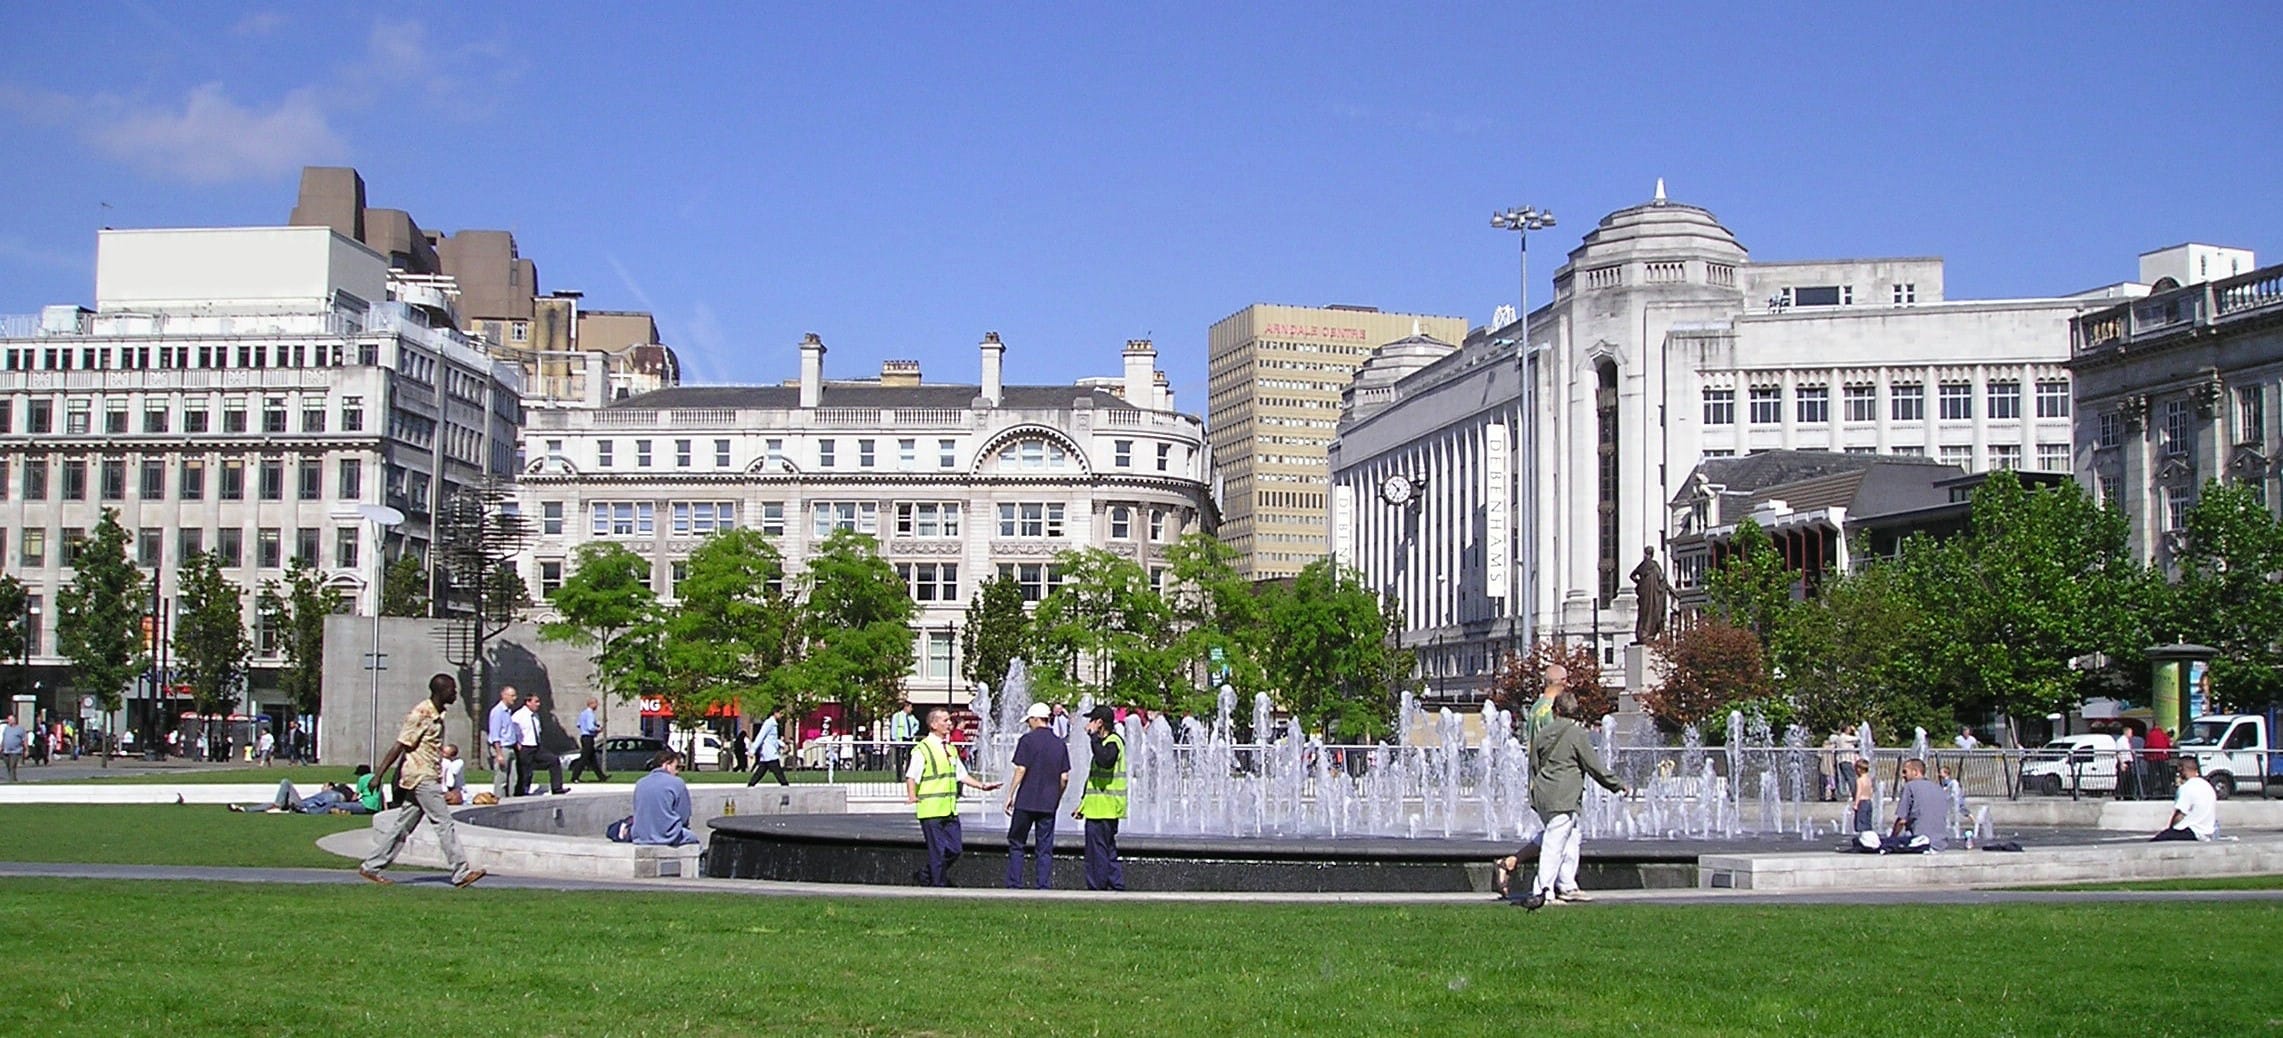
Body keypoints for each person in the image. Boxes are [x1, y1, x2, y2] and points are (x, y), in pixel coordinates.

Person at [359, 674, 486, 888]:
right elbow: (400, 745)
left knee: (403, 825)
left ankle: (371, 867)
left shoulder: (438, 714)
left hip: (426, 774)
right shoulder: (420, 714)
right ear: (440, 691)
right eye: (452, 690)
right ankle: (460, 872)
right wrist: (379, 775)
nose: (455, 693)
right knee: (444, 822)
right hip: (421, 777)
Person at [1520, 691, 1628, 909]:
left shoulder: (1544, 733)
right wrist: (1617, 784)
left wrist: (1533, 793)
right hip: (1564, 796)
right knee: (1554, 843)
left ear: (1555, 710)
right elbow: (1594, 766)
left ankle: (1567, 884)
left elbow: (1533, 765)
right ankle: (1542, 891)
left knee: (1571, 837)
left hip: (1544, 793)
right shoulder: (1577, 734)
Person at [904, 707, 1000, 886]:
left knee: (955, 849)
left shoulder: (950, 749)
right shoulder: (923, 749)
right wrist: (911, 795)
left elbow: (961, 774)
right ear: (933, 724)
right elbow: (911, 775)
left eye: (949, 721)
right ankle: (938, 887)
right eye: (945, 721)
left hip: (949, 809)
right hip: (930, 809)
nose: (949, 724)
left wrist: (982, 786)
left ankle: (925, 875)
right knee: (937, 852)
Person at [1003, 702, 1071, 889]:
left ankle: (1014, 883)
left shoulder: (1027, 740)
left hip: (1026, 800)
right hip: (1048, 802)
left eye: (1029, 721)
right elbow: (1064, 777)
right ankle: (1043, 885)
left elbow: (1020, 769)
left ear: (1035, 719)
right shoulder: (1060, 744)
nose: (1028, 725)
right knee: (1045, 847)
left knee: (1017, 843)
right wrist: (1057, 797)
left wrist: (1010, 794)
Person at [1075, 706, 1128, 891]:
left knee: (1096, 852)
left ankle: (1097, 889)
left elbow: (1105, 761)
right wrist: (1082, 805)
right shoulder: (1105, 743)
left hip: (1105, 808)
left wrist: (1093, 738)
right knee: (1107, 850)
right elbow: (1093, 780)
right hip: (1098, 807)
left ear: (1099, 723)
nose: (1088, 724)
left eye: (1091, 720)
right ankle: (1116, 885)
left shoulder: (1112, 742)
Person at [633, 749, 699, 846]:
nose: (677, 772)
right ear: (666, 765)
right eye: (676, 767)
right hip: (667, 835)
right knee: (694, 839)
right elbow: (684, 815)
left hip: (642, 836)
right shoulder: (677, 783)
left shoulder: (640, 783)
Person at [229, 770, 372, 814]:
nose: (321, 788)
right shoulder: (342, 789)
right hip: (337, 799)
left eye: (323, 785)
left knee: (286, 782)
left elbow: (354, 796)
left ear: (329, 785)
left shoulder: (333, 789)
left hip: (330, 798)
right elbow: (353, 798)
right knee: (276, 803)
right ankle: (243, 809)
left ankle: (281, 806)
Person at [1888, 758, 1950, 851]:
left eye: (1905, 771)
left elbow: (1902, 820)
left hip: (1919, 843)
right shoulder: (1938, 788)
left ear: (1915, 772)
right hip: (1940, 843)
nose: (1902, 775)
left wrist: (1892, 839)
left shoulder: (1909, 786)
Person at [513, 691, 567, 796]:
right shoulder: (519, 716)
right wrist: (517, 745)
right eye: (536, 702)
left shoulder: (536, 716)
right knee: (525, 772)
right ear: (528, 702)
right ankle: (522, 791)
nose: (538, 704)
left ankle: (557, 788)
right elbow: (513, 732)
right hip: (525, 747)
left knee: (553, 760)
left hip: (536, 747)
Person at [2153, 757, 2217, 842]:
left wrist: (2170, 829)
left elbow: (2180, 815)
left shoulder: (2186, 788)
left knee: (2157, 840)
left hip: (2191, 830)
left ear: (2181, 769)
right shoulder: (2208, 786)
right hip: (2207, 830)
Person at [1629, 546, 1671, 642]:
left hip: (1645, 594)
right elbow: (1661, 579)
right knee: (1652, 613)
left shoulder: (1643, 565)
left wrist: (1639, 582)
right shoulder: (1655, 566)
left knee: (1644, 614)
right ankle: (1648, 634)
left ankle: (1643, 633)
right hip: (1653, 595)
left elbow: (1632, 575)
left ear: (1646, 554)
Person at [487, 687, 521, 800]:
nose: (515, 698)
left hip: (510, 747)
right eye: (512, 696)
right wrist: (499, 754)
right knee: (501, 779)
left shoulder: (508, 711)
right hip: (502, 748)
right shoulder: (497, 712)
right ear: (504, 696)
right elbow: (495, 734)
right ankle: (500, 799)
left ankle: (510, 799)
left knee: (513, 778)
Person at [567, 697, 610, 783]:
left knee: (592, 759)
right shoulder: (590, 714)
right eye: (596, 703)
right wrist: (598, 729)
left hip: (584, 736)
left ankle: (602, 777)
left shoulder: (583, 713)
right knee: (584, 758)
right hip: (588, 738)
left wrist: (584, 728)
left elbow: (579, 724)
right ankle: (575, 777)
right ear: (592, 704)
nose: (597, 705)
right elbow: (590, 727)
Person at [746, 708, 788, 787]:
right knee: (778, 773)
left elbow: (773, 739)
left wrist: (782, 745)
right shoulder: (769, 723)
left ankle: (750, 785)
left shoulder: (774, 724)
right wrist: (752, 750)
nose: (782, 715)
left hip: (768, 754)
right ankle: (786, 787)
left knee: (760, 772)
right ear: (775, 713)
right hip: (770, 753)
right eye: (781, 713)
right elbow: (760, 736)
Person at [888, 700, 919, 775]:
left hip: (909, 738)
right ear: (906, 707)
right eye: (910, 707)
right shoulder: (897, 716)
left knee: (909, 757)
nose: (911, 709)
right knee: (900, 758)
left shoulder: (912, 717)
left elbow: (917, 724)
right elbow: (894, 727)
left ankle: (907, 773)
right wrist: (894, 739)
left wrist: (912, 732)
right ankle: (899, 775)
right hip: (900, 739)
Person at [1850, 755, 1875, 833]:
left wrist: (1856, 804)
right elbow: (1871, 791)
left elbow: (1859, 792)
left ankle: (1862, 838)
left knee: (1861, 822)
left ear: (1859, 769)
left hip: (1862, 802)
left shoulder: (1859, 780)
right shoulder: (1869, 779)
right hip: (1869, 802)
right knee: (1867, 822)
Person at [0, 714, 25, 782]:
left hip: (16, 751)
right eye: (8, 720)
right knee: (8, 766)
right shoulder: (6, 728)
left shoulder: (20, 729)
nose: (9, 721)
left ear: (14, 720)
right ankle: (13, 778)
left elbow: (24, 739)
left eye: (11, 719)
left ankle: (12, 780)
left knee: (12, 766)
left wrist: (26, 749)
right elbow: (4, 738)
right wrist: (1, 747)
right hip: (6, 750)